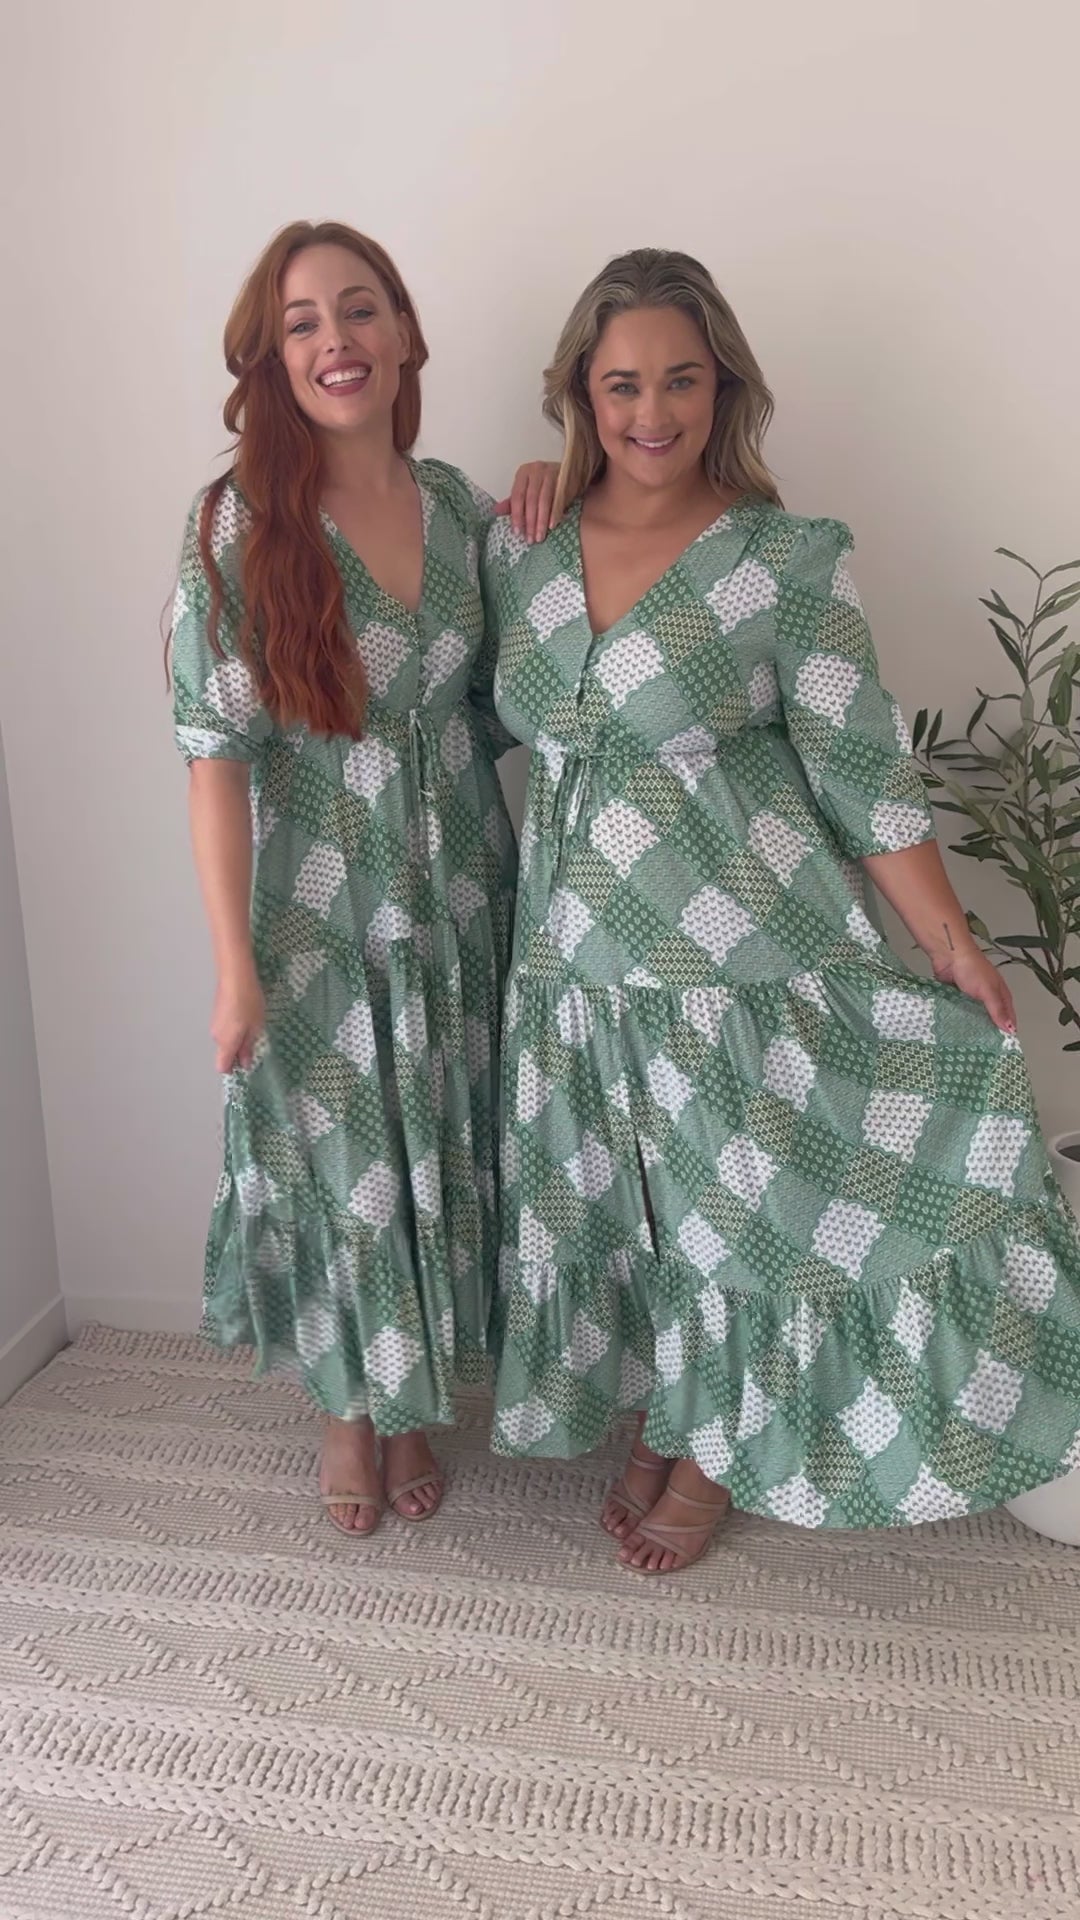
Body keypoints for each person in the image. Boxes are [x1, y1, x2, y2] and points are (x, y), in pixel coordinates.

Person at [482, 246, 1080, 1574]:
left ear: (725, 388)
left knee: (737, 1214)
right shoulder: (520, 551)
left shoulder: (784, 559)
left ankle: (712, 1451)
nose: (652, 412)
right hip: (574, 969)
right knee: (639, 1214)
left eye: (681, 380)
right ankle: (672, 1409)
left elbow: (861, 764)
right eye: (623, 383)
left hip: (741, 958)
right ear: (580, 391)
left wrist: (950, 943)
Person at [170, 220, 555, 1536]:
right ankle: (351, 1409)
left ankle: (412, 1400)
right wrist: (233, 967)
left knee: (440, 1136)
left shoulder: (458, 509)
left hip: (463, 896)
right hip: (318, 911)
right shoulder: (239, 523)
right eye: (302, 323)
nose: (336, 340)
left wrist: (551, 490)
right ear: (272, 360)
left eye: (359, 308)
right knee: (345, 1164)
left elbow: (535, 675)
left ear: (404, 333)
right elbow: (214, 761)